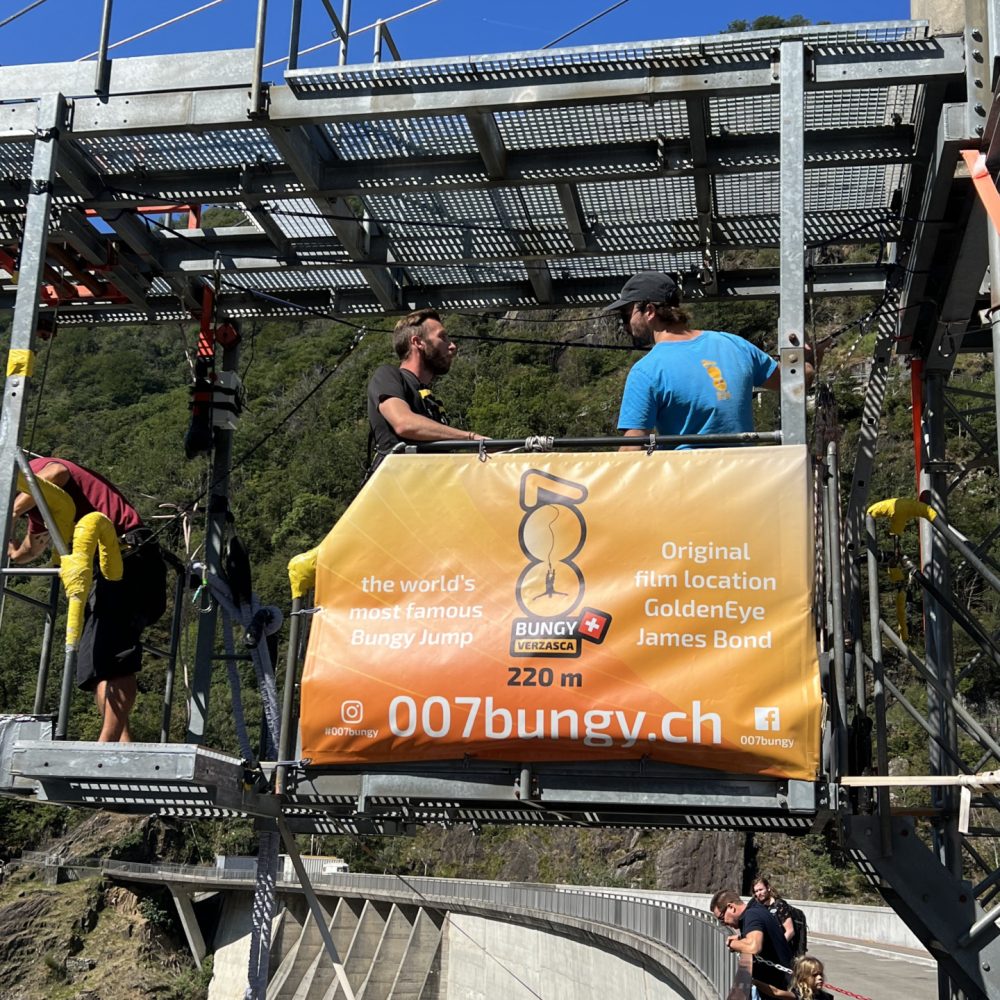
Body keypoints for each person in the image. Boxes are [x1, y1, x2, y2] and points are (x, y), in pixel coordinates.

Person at [8, 457, 167, 743]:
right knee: (98, 660)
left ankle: (104, 748)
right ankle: (122, 745)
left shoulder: (36, 471)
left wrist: (11, 512)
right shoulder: (40, 505)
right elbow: (32, 549)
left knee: (114, 653)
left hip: (128, 556)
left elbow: (57, 473)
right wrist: (13, 550)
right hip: (111, 566)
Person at [607, 271, 814, 448]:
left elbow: (633, 448)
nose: (625, 323)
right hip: (746, 481)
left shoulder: (646, 371)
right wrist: (810, 360)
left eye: (626, 315)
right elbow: (796, 382)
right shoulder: (735, 345)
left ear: (649, 311)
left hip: (688, 485)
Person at [366, 308, 486, 476]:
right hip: (394, 493)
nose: (452, 346)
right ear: (418, 342)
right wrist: (472, 438)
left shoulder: (431, 400)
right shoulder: (388, 375)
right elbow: (404, 423)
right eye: (442, 337)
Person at [710, 888, 794, 998]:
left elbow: (754, 946)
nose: (724, 923)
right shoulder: (755, 908)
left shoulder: (751, 916)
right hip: (781, 984)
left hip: (780, 987)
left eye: (722, 918)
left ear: (731, 907)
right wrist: (741, 937)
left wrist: (732, 944)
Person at [753, 875, 796, 949]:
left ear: (768, 888)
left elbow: (790, 931)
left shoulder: (780, 905)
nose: (759, 893)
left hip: (780, 952)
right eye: (756, 891)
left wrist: (778, 948)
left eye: (761, 890)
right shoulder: (757, 907)